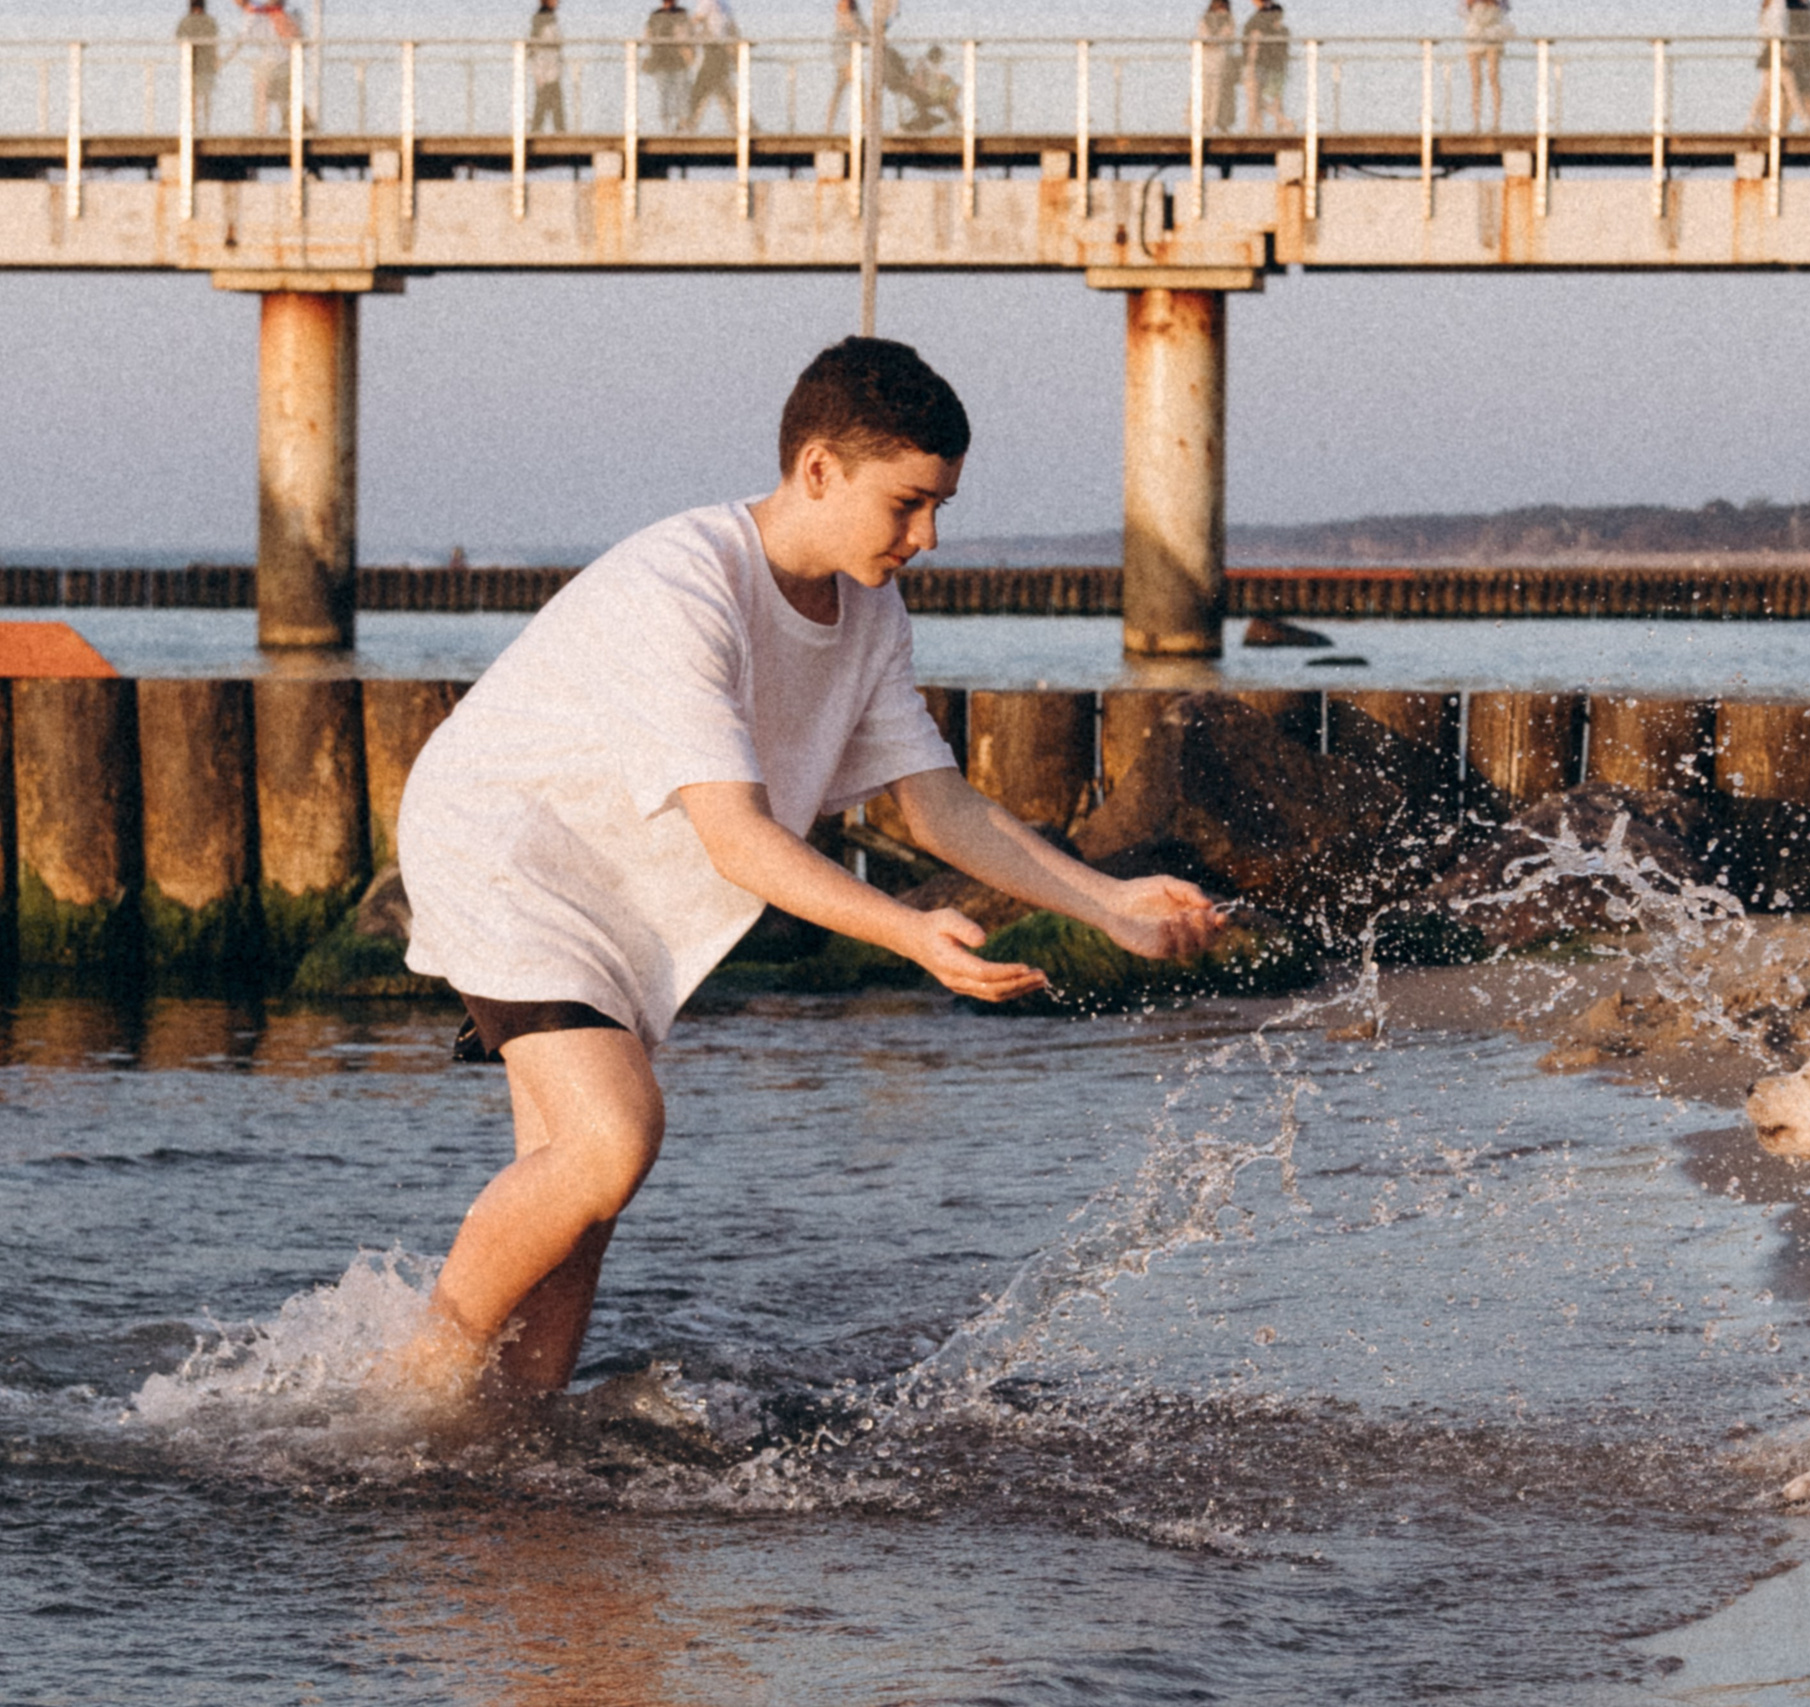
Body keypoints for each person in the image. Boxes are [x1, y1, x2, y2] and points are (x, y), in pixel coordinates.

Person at [387, 337, 1224, 1402]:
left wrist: (1107, 904)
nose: (927, 537)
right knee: (613, 1140)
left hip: (622, 884)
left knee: (581, 1188)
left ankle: (511, 1428)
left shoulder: (868, 610)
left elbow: (934, 803)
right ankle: (408, 1386)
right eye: (908, 504)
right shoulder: (685, 582)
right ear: (819, 468)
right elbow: (738, 840)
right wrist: (909, 933)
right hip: (508, 852)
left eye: (940, 508)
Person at [1748, 0, 1810, 133]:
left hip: (1777, 50)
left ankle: (1757, 124)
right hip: (1778, 50)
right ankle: (1807, 123)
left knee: (1772, 91)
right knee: (1791, 90)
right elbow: (1779, 28)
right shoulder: (1781, 5)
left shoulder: (1775, 6)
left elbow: (1772, 29)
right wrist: (1786, 48)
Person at [234, 0, 296, 136]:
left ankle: (262, 129)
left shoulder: (262, 14)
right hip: (282, 60)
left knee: (267, 95)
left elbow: (243, 38)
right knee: (281, 96)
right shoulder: (275, 14)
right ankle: (281, 125)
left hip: (272, 61)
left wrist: (228, 57)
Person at [685, 0, 742, 135]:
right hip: (721, 51)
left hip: (714, 50)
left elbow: (695, 22)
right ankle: (742, 124)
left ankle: (687, 125)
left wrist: (684, 40)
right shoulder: (724, 5)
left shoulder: (707, 2)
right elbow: (732, 28)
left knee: (699, 91)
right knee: (723, 90)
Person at [1462, 0, 1513, 133]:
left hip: (1493, 31)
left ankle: (1496, 122)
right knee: (1476, 81)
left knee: (1493, 77)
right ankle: (1476, 123)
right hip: (1474, 31)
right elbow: (1463, 9)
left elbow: (1506, 7)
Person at [641, 0, 692, 132]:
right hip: (660, 60)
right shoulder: (655, 15)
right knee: (664, 93)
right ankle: (666, 127)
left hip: (678, 60)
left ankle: (682, 125)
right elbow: (648, 34)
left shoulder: (681, 13)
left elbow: (686, 34)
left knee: (681, 92)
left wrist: (688, 52)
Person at [1241, 0, 1290, 135]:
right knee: (1262, 98)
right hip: (1270, 65)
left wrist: (1250, 64)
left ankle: (1254, 129)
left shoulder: (1258, 21)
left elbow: (1254, 43)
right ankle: (1267, 127)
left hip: (1259, 64)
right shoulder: (1276, 27)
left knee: (1254, 99)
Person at [178, 1, 223, 133]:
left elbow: (179, 40)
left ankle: (194, 124)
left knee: (193, 96)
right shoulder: (210, 21)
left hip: (192, 64)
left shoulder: (186, 21)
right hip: (206, 64)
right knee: (205, 95)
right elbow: (215, 42)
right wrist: (215, 59)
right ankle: (204, 125)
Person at [1198, 0, 1241, 136]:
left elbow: (1228, 36)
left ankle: (1212, 122)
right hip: (1210, 58)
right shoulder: (1207, 19)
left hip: (1218, 59)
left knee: (1216, 91)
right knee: (1208, 91)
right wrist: (1216, 41)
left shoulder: (1226, 20)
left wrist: (1213, 41)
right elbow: (1209, 37)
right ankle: (1206, 122)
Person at [527, 0, 568, 135]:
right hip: (544, 66)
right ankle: (555, 130)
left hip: (551, 66)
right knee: (547, 100)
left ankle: (542, 129)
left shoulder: (550, 19)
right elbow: (533, 46)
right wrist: (538, 72)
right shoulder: (542, 20)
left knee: (549, 100)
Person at [822, 0, 862, 134]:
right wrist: (864, 33)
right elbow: (850, 25)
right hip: (843, 51)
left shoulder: (852, 5)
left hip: (848, 51)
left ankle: (829, 124)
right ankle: (863, 121)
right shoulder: (844, 4)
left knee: (840, 89)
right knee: (859, 85)